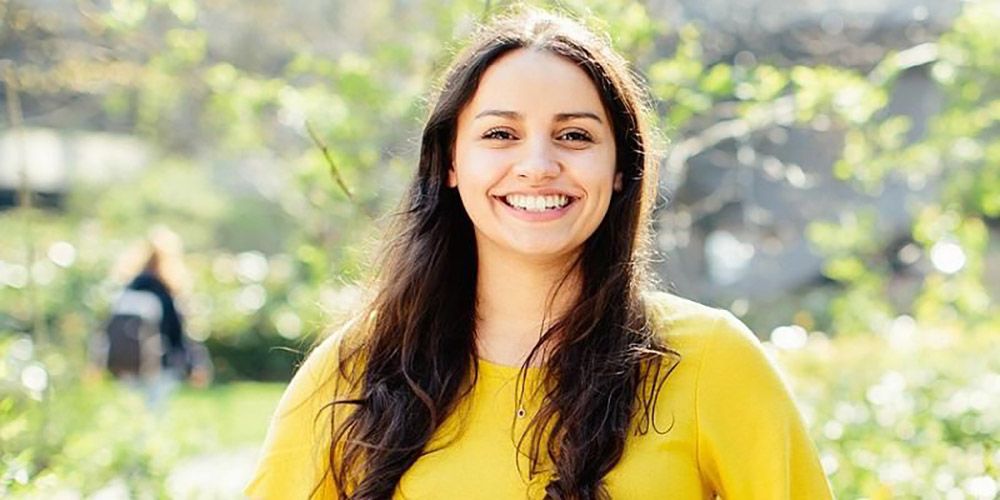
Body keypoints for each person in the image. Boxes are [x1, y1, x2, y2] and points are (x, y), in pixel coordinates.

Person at [246, 8, 833, 499]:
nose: (537, 164)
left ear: (622, 168)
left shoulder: (708, 360)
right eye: (500, 134)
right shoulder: (354, 371)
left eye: (574, 135)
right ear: (451, 162)